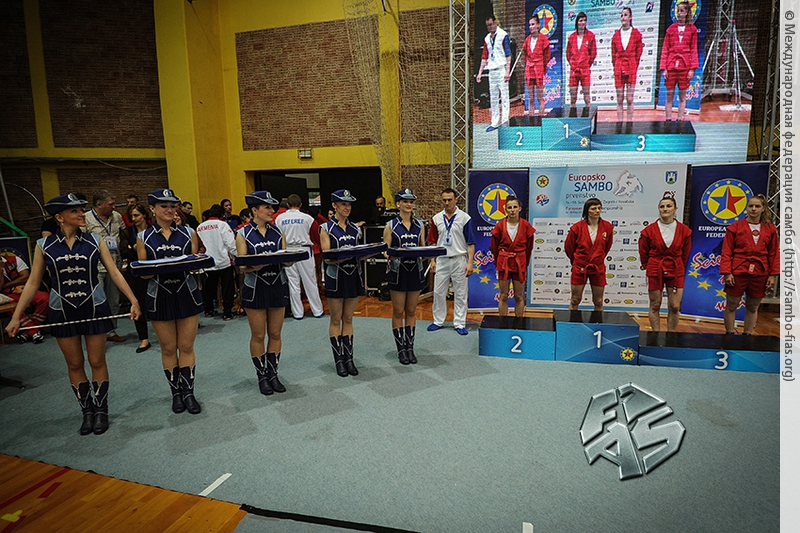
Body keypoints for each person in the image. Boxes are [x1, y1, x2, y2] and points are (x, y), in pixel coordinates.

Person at [5, 194, 141, 435]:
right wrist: (16, 316)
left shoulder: (95, 240)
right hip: (62, 310)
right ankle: (87, 411)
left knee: (97, 361)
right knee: (75, 364)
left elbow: (114, 272)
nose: (81, 214)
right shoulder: (43, 245)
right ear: (59, 217)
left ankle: (101, 410)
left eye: (81, 210)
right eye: (74, 211)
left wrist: (133, 300)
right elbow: (33, 282)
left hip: (94, 307)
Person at [138, 189, 204, 415]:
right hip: (159, 295)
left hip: (187, 293)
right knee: (168, 348)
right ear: (152, 208)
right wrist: (161, 266)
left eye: (172, 206)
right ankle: (176, 393)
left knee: (186, 346)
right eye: (163, 206)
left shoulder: (189, 232)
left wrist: (197, 262)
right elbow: (143, 273)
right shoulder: (143, 237)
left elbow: (194, 266)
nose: (169, 210)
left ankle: (189, 392)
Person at [236, 191, 290, 395]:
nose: (271, 211)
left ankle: (273, 374)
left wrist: (290, 259)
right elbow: (242, 265)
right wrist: (259, 264)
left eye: (271, 207)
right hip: (255, 288)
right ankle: (262, 376)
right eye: (267, 207)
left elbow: (285, 258)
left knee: (275, 333)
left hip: (277, 284)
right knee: (258, 334)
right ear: (254, 210)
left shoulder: (279, 232)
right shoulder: (243, 233)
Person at [720, 194, 780, 335]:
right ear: (746, 208)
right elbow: (726, 251)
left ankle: (748, 335)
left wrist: (773, 275)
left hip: (760, 272)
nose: (753, 209)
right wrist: (727, 272)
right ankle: (729, 334)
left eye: (757, 206)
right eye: (750, 206)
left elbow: (774, 254)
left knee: (753, 307)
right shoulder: (735, 227)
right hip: (738, 270)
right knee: (732, 305)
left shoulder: (770, 229)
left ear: (763, 208)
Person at [320, 189, 364, 376]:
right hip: (335, 278)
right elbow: (327, 256)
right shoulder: (325, 228)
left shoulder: (355, 228)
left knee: (348, 318)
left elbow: (359, 253)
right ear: (334, 205)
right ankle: (338, 360)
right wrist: (346, 255)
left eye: (349, 204)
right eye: (343, 204)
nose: (347, 208)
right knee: (336, 319)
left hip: (353, 275)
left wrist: (366, 252)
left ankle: (349, 358)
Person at [383, 188, 426, 365]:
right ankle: (400, 348)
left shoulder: (420, 225)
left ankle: (410, 347)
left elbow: (423, 247)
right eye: (405, 201)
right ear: (398, 204)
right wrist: (394, 254)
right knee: (398, 311)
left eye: (411, 202)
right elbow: (385, 251)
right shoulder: (390, 225)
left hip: (415, 271)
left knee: (411, 311)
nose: (409, 204)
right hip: (398, 272)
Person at [638, 196, 693, 332]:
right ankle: (655, 334)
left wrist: (679, 265)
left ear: (675, 209)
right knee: (655, 304)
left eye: (668, 206)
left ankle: (671, 335)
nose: (665, 209)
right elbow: (643, 251)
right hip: (655, 267)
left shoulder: (684, 230)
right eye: (662, 206)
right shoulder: (649, 230)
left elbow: (686, 252)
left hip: (676, 267)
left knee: (674, 306)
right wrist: (648, 265)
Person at [426, 188, 475, 335]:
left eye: (449, 200)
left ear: (456, 200)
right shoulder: (436, 219)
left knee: (461, 293)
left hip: (459, 259)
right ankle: (438, 320)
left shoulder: (465, 218)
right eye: (444, 200)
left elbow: (470, 243)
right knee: (438, 292)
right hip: (442, 259)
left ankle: (459, 323)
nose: (447, 203)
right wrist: (432, 260)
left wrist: (470, 262)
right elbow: (432, 241)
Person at [85, 190, 126, 343]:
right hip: (96, 267)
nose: (114, 207)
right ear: (99, 204)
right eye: (110, 204)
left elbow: (123, 235)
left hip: (115, 265)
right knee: (98, 301)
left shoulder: (117, 216)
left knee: (114, 301)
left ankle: (111, 331)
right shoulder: (86, 219)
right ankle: (97, 333)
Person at [274, 194, 324, 320]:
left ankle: (297, 313)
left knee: (293, 283)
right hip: (304, 250)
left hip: (288, 250)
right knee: (310, 281)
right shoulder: (307, 218)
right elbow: (316, 235)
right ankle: (317, 311)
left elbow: (277, 235)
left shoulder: (279, 218)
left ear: (287, 205)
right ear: (301, 205)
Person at [564, 198, 614, 311]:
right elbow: (568, 247)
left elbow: (607, 247)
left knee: (599, 301)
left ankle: (598, 321)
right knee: (575, 299)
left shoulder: (607, 227)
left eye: (599, 208)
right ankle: (573, 321)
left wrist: (597, 258)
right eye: (594, 208)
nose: (597, 211)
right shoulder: (577, 228)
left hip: (597, 267)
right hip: (580, 266)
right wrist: (577, 260)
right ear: (587, 210)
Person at [489, 196, 535, 318]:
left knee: (519, 296)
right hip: (504, 262)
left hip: (520, 262)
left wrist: (525, 262)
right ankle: (502, 323)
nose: (512, 210)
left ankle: (519, 322)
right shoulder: (500, 226)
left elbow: (529, 247)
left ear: (520, 208)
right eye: (509, 207)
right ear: (505, 210)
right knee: (503, 295)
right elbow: (494, 247)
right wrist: (499, 261)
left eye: (515, 207)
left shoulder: (526, 226)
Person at [119, 202, 153, 352]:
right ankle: (144, 339)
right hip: (134, 273)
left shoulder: (154, 231)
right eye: (131, 216)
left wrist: (133, 248)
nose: (134, 219)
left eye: (136, 215)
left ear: (144, 215)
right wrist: (138, 248)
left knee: (157, 302)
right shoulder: (127, 232)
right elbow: (124, 252)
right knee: (137, 304)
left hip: (153, 271)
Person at [196, 204, 237, 320]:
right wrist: (238, 256)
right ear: (222, 215)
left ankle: (208, 310)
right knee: (227, 288)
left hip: (207, 262)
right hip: (223, 261)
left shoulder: (200, 227)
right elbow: (230, 243)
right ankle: (227, 313)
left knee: (209, 288)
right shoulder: (223, 225)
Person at [660, 1, 698, 121]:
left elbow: (694, 50)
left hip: (684, 67)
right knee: (669, 96)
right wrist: (664, 68)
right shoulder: (670, 29)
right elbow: (665, 49)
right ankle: (668, 120)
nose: (679, 13)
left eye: (681, 11)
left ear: (686, 12)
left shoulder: (692, 30)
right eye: (678, 11)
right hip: (671, 67)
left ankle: (680, 119)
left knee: (682, 96)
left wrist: (692, 69)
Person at [1, 251, 48, 343]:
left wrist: (7, 285)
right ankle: (34, 332)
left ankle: (28, 332)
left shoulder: (15, 259)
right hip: (7, 296)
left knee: (45, 298)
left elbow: (25, 277)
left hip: (25, 290)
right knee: (11, 306)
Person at [476, 14, 512, 132]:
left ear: (495, 22)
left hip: (501, 69)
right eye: (487, 25)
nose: (490, 27)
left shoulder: (503, 35)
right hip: (492, 71)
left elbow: (508, 54)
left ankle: (505, 121)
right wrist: (480, 72)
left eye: (491, 24)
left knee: (504, 97)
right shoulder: (487, 38)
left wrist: (507, 71)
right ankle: (495, 121)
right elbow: (484, 56)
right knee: (493, 97)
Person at [611, 6, 643, 122]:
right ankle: (619, 123)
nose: (623, 17)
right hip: (619, 68)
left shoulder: (636, 34)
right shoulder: (615, 35)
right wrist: (617, 66)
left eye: (625, 15)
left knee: (630, 98)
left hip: (631, 68)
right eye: (621, 15)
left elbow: (638, 53)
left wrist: (633, 65)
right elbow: (613, 54)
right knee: (619, 99)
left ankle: (629, 124)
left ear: (630, 17)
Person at [522, 14, 550, 117]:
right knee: (531, 98)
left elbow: (547, 56)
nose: (531, 27)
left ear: (538, 25)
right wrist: (528, 64)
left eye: (533, 24)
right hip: (529, 70)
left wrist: (542, 66)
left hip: (539, 69)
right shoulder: (527, 40)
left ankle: (541, 120)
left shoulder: (543, 39)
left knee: (540, 97)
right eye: (530, 25)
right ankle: (531, 121)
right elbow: (525, 55)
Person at [566, 12, 597, 109]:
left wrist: (586, 64)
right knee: (573, 98)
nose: (583, 22)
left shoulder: (591, 36)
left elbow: (593, 54)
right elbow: (568, 54)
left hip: (585, 71)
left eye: (584, 20)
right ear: (577, 22)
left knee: (587, 97)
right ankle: (572, 116)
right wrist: (573, 64)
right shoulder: (571, 37)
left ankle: (588, 117)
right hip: (574, 71)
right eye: (580, 20)